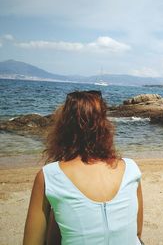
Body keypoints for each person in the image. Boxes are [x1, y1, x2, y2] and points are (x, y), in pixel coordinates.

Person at [23, 90, 144, 245]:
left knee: (57, 210)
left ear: (63, 127)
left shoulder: (49, 176)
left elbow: (32, 242)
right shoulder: (131, 169)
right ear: (105, 126)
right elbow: (137, 232)